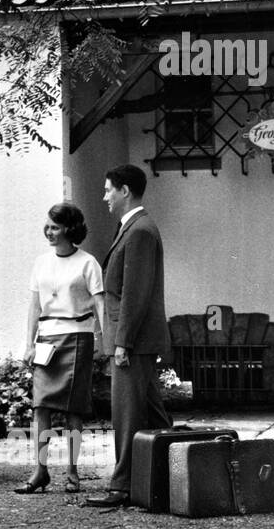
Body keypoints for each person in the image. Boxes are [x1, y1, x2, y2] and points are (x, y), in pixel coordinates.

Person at [86, 164, 171, 508]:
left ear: (125, 191)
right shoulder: (135, 228)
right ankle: (169, 475)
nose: (104, 197)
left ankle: (121, 486)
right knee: (153, 413)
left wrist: (123, 342)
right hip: (136, 339)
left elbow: (135, 293)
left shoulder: (139, 231)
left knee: (127, 414)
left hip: (133, 341)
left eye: (108, 190)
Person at [14, 203, 106, 495]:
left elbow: (100, 304)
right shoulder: (41, 263)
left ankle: (73, 472)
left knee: (73, 409)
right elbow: (34, 305)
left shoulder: (87, 263)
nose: (49, 232)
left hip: (77, 337)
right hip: (47, 340)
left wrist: (105, 340)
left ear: (70, 229)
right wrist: (28, 343)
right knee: (40, 405)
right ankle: (40, 470)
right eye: (48, 226)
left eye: (55, 227)